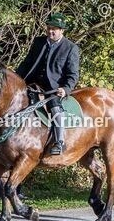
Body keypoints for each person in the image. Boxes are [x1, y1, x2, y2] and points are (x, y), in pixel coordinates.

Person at [14, 12, 81, 155]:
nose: (50, 31)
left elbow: (73, 75)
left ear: (62, 30)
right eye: (49, 28)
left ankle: (59, 142)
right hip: (32, 84)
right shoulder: (38, 42)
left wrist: (66, 89)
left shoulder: (70, 48)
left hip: (53, 89)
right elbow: (27, 64)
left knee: (56, 110)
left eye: (54, 29)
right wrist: (15, 78)